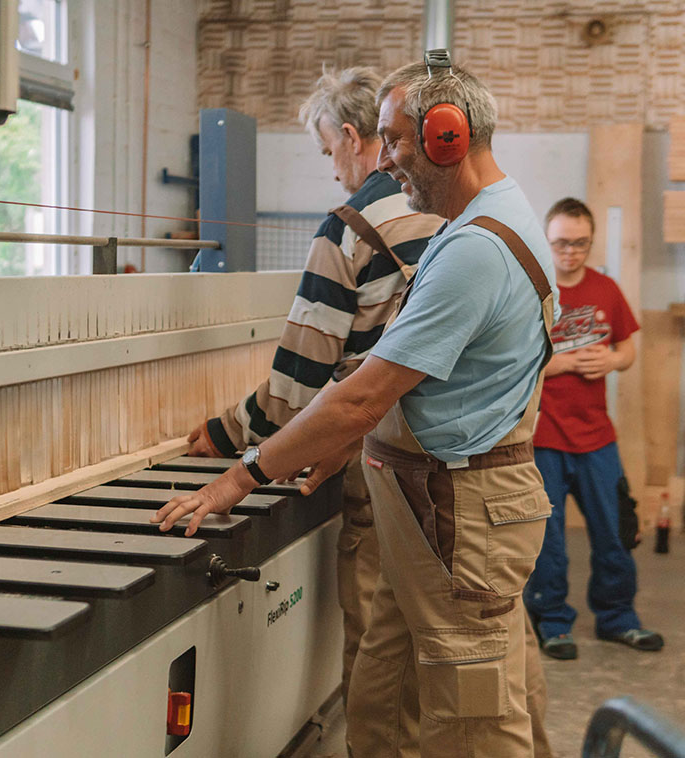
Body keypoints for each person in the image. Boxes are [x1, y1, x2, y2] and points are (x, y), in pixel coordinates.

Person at [153, 52, 559, 757]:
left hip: (458, 512)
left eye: (397, 141)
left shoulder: (476, 249)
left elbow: (362, 394)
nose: (390, 160)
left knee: (473, 721)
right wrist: (346, 442)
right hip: (423, 505)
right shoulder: (476, 222)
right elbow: (404, 371)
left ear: (447, 138)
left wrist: (241, 474)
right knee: (381, 690)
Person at [186, 66, 443, 708]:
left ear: (354, 138)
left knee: (380, 659)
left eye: (330, 150)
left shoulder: (349, 229)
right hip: (452, 463)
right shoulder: (442, 217)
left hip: (382, 464)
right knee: (446, 650)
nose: (332, 169)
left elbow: (296, 386)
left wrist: (224, 436)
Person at [524, 198, 664, 660]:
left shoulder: (606, 289)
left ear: (590, 241)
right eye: (562, 243)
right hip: (543, 438)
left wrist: (611, 359)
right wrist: (558, 363)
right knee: (550, 540)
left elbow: (627, 350)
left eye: (581, 243)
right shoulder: (533, 292)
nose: (571, 252)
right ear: (548, 240)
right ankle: (552, 621)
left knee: (615, 531)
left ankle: (618, 618)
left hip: (597, 437)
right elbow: (508, 364)